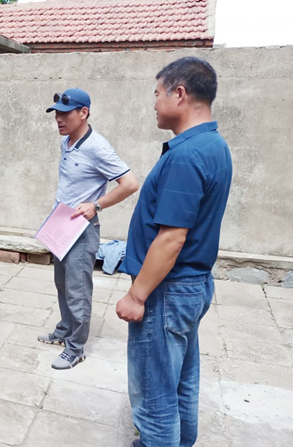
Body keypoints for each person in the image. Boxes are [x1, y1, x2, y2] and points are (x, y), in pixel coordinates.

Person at [116, 57, 232, 447]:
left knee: (154, 398)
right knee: (181, 381)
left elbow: (171, 239)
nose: (154, 103)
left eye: (157, 93)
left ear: (179, 94)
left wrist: (137, 296)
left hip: (167, 289)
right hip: (191, 284)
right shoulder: (214, 145)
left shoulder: (187, 155)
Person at [39, 88, 139, 370]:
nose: (59, 119)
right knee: (62, 283)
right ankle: (64, 330)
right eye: (56, 114)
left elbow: (130, 184)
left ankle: (76, 348)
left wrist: (96, 204)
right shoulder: (67, 142)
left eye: (65, 114)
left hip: (82, 230)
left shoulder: (98, 147)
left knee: (78, 290)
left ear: (83, 113)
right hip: (62, 224)